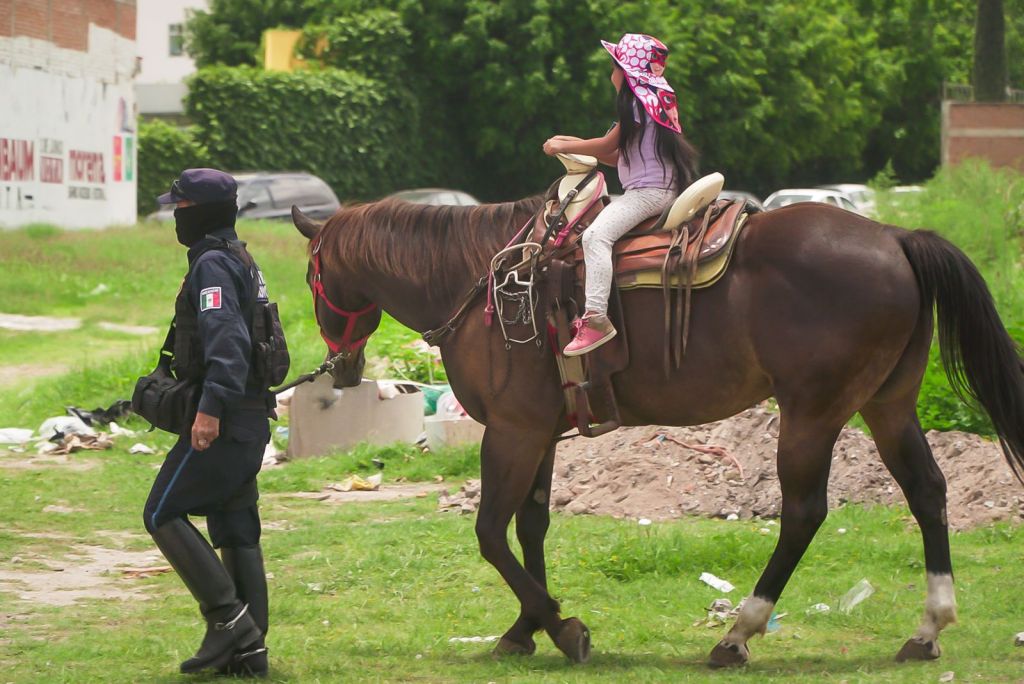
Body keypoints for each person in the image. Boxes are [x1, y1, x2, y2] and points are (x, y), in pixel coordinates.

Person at [140, 168, 277, 678]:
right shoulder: (242, 257)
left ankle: (228, 622)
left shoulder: (213, 266)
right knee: (233, 521)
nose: (175, 217)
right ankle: (250, 650)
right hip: (251, 419)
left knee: (160, 513)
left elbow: (229, 346)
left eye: (179, 208)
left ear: (197, 213)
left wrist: (209, 411)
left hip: (227, 419)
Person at [543, 33, 699, 356]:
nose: (610, 74)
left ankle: (596, 318)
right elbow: (615, 157)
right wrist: (571, 143)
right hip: (663, 189)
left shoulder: (635, 102)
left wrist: (562, 145)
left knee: (594, 237)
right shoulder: (652, 102)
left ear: (624, 73)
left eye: (613, 67)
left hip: (648, 194)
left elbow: (604, 147)